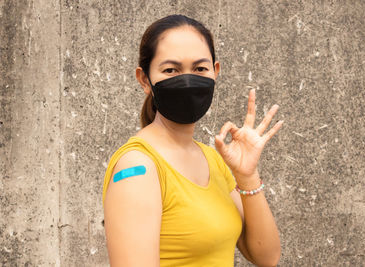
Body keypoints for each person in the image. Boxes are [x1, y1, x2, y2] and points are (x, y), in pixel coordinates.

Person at [102, 14, 283, 267]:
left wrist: (247, 176)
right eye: (171, 70)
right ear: (145, 80)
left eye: (199, 68)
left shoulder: (213, 160)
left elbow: (266, 256)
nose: (187, 80)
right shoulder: (138, 167)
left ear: (215, 72)